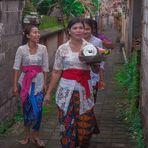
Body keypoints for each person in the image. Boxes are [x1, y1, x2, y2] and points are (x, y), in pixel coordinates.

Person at [44, 17, 99, 148]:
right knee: (66, 123)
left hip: (83, 90)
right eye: (75, 28)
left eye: (81, 28)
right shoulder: (62, 49)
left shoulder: (90, 48)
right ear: (69, 31)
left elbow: (95, 70)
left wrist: (92, 63)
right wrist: (48, 93)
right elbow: (57, 72)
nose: (79, 30)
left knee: (85, 125)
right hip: (65, 90)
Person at [12, 24, 49, 147]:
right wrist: (15, 86)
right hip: (25, 83)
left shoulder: (43, 48)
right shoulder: (21, 49)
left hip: (38, 83)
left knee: (38, 110)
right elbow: (16, 68)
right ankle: (27, 136)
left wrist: (45, 82)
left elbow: (45, 67)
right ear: (28, 35)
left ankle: (36, 136)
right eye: (34, 32)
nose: (38, 34)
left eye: (38, 32)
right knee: (26, 109)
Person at [83, 18, 105, 103]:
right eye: (83, 28)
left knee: (91, 101)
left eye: (87, 29)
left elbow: (101, 62)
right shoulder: (76, 41)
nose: (85, 31)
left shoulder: (97, 42)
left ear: (92, 29)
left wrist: (101, 79)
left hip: (93, 76)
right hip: (78, 77)